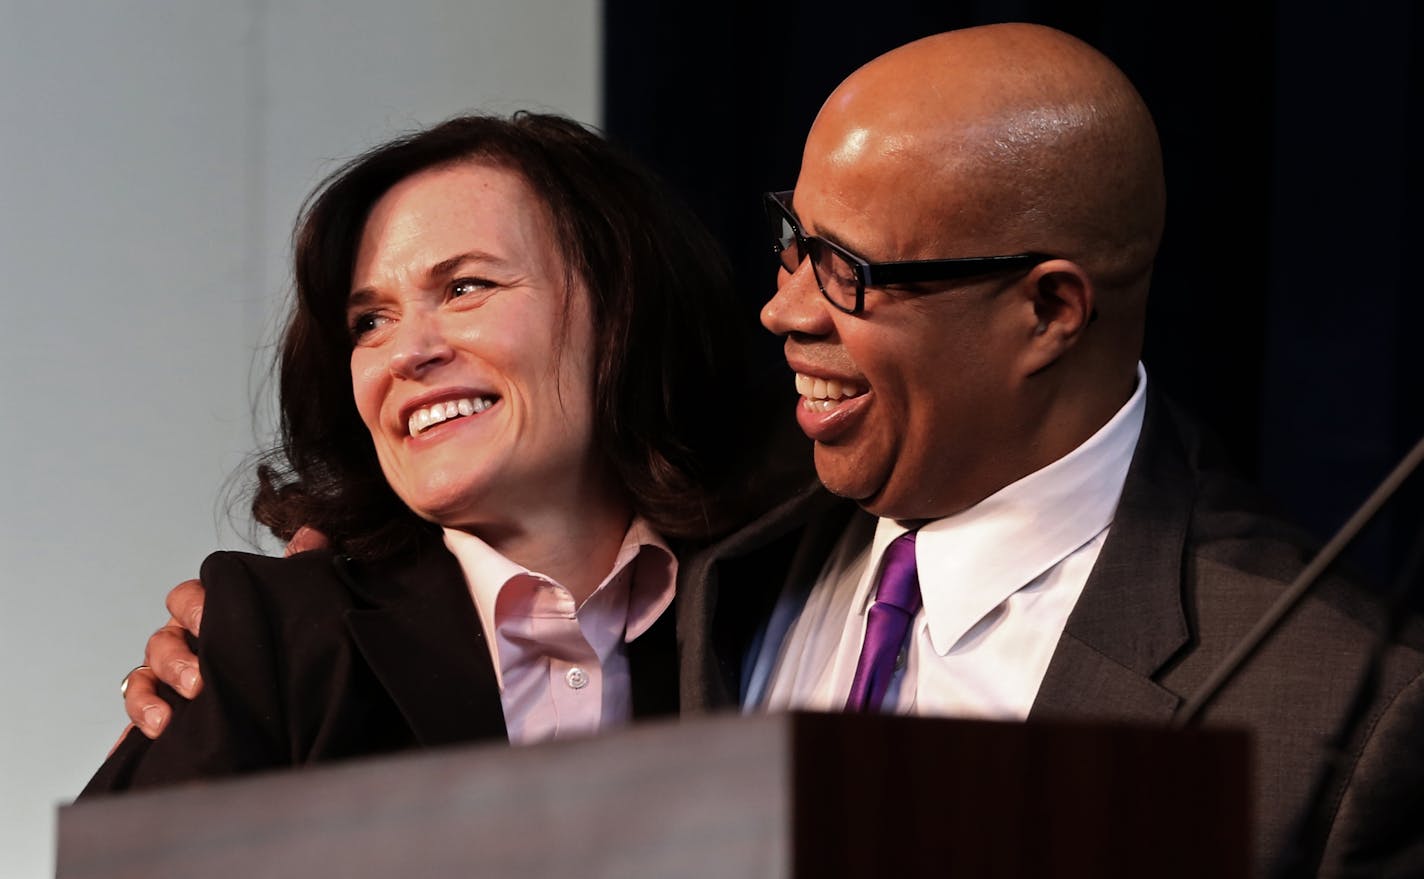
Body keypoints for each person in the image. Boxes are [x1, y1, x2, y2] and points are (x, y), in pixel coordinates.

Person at [118, 24, 1424, 876]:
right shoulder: (744, 541)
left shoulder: (1339, 695)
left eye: (849, 270)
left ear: (1049, 308)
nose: (786, 305)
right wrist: (276, 620)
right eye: (792, 240)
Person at [85, 111, 791, 791]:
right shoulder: (272, 636)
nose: (407, 353)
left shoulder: (777, 590)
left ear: (621, 308)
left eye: (465, 287)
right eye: (370, 321)